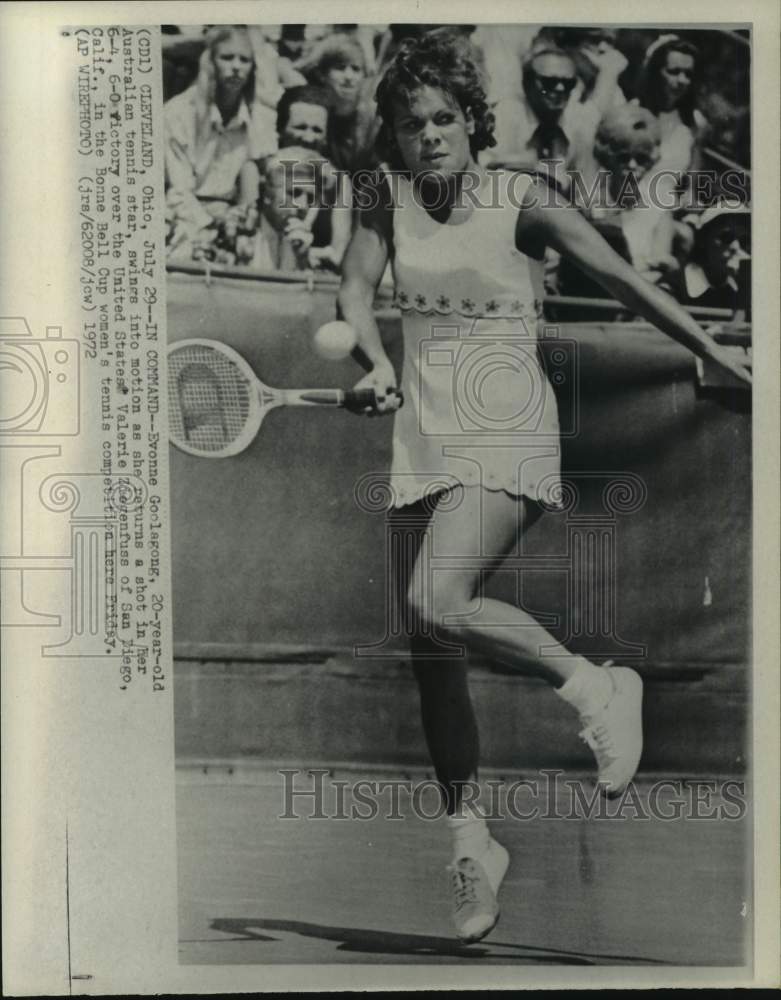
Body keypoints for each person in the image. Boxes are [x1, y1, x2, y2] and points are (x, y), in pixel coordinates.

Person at [336, 32, 751, 945]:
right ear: (394, 138)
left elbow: (625, 283)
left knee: (437, 599)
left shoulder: (519, 198)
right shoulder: (380, 198)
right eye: (412, 124)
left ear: (472, 121)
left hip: (507, 428)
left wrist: (713, 350)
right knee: (432, 653)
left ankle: (596, 687)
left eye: (445, 118)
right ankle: (470, 842)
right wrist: (370, 362)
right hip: (424, 434)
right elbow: (357, 296)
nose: (429, 136)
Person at [164, 26, 277, 244]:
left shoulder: (259, 117)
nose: (236, 67)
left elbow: (268, 172)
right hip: (186, 216)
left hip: (236, 219)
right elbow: (179, 192)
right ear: (211, 62)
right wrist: (211, 224)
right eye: (227, 58)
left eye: (244, 60)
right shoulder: (179, 112)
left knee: (251, 168)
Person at [297, 33, 380, 176]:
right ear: (322, 74)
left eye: (356, 69)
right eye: (341, 68)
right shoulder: (312, 115)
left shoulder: (373, 121)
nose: (349, 77)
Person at [635, 34, 708, 179]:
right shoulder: (631, 112)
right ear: (656, 72)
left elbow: (690, 188)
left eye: (688, 74)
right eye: (674, 72)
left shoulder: (696, 123)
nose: (682, 80)